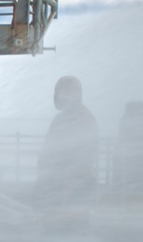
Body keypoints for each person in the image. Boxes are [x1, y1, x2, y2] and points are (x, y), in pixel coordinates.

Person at [34, 76, 99, 218]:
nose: (56, 97)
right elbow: (49, 149)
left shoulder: (83, 120)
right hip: (58, 186)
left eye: (59, 92)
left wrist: (63, 188)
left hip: (72, 189)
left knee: (70, 230)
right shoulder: (62, 119)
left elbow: (83, 161)